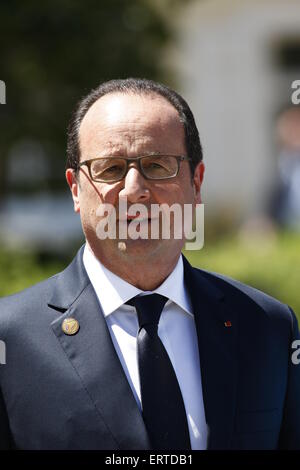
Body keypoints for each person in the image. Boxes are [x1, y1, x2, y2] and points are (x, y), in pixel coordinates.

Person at [0, 78, 299, 450]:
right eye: (109, 169)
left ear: (196, 183)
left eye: (157, 165)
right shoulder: (10, 339)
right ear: (76, 189)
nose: (134, 189)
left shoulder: (268, 327)